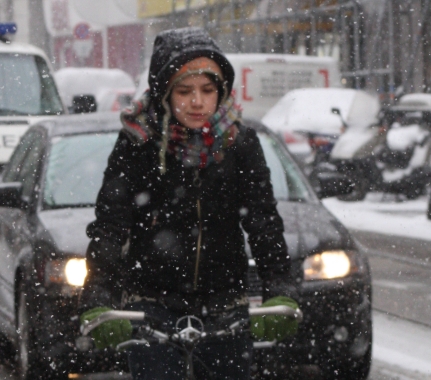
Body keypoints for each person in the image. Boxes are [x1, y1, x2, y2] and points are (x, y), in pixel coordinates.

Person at [80, 27, 298, 379]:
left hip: (225, 305)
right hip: (152, 306)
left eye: (207, 91)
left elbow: (263, 222)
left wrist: (280, 290)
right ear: (165, 94)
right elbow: (110, 226)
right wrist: (98, 299)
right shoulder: (137, 145)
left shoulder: (240, 144)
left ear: (221, 92)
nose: (197, 102)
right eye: (184, 91)